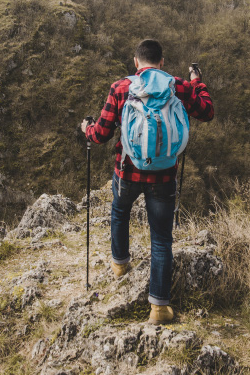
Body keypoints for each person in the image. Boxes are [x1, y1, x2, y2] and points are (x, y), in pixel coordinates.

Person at [81, 39, 214, 325]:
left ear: (135, 62)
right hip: (164, 175)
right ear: (162, 62)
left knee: (120, 211)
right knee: (162, 240)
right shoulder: (177, 87)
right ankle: (159, 309)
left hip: (127, 170)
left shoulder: (121, 88)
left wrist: (86, 129)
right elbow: (207, 111)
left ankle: (120, 265)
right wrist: (197, 82)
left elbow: (101, 134)